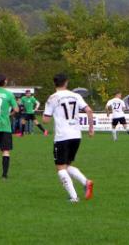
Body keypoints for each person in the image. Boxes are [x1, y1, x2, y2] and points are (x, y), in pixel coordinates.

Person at [42, 73, 94, 203]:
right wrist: (91, 128)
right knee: (66, 165)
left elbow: (45, 120)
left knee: (60, 168)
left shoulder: (53, 98)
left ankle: (74, 197)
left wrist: (49, 112)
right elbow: (89, 111)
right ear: (66, 82)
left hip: (62, 136)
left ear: (55, 83)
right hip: (76, 135)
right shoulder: (76, 96)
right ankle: (86, 182)